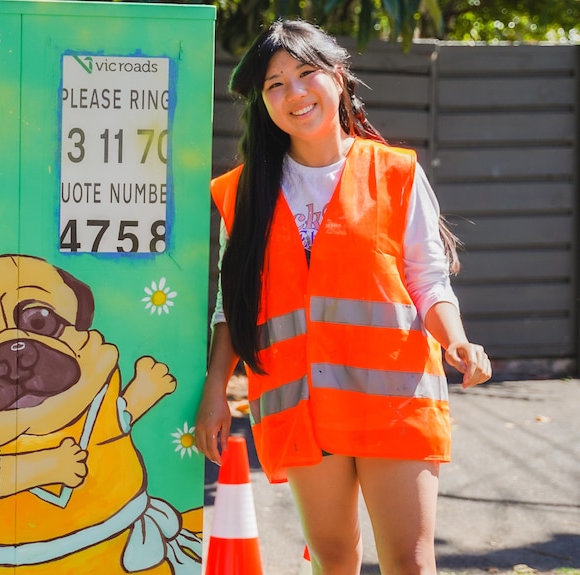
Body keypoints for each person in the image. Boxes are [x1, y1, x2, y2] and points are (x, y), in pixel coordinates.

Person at [194, 19, 492, 575]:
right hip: (300, 406)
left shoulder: (395, 172)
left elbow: (428, 277)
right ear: (262, 102)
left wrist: (457, 341)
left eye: (305, 74)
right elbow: (231, 302)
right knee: (333, 559)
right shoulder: (242, 192)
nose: (293, 93)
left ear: (338, 79)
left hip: (393, 398)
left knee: (409, 561)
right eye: (274, 84)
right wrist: (216, 389)